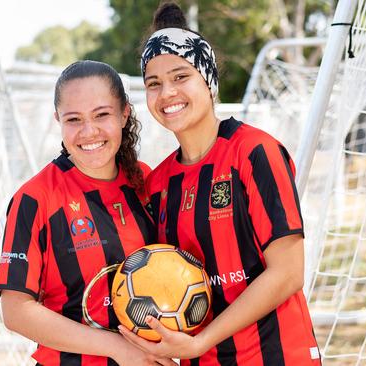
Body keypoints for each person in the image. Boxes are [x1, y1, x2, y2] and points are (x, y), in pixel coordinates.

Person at [118, 3, 321, 365]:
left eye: (181, 77)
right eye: (154, 84)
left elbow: (288, 273)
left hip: (278, 356)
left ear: (208, 81)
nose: (167, 94)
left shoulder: (255, 152)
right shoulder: (159, 184)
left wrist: (200, 342)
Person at [0, 60, 174, 366]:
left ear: (123, 114)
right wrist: (117, 348)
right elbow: (16, 311)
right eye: (74, 119)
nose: (89, 131)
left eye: (102, 115)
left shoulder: (146, 183)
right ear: (58, 120)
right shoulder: (35, 198)